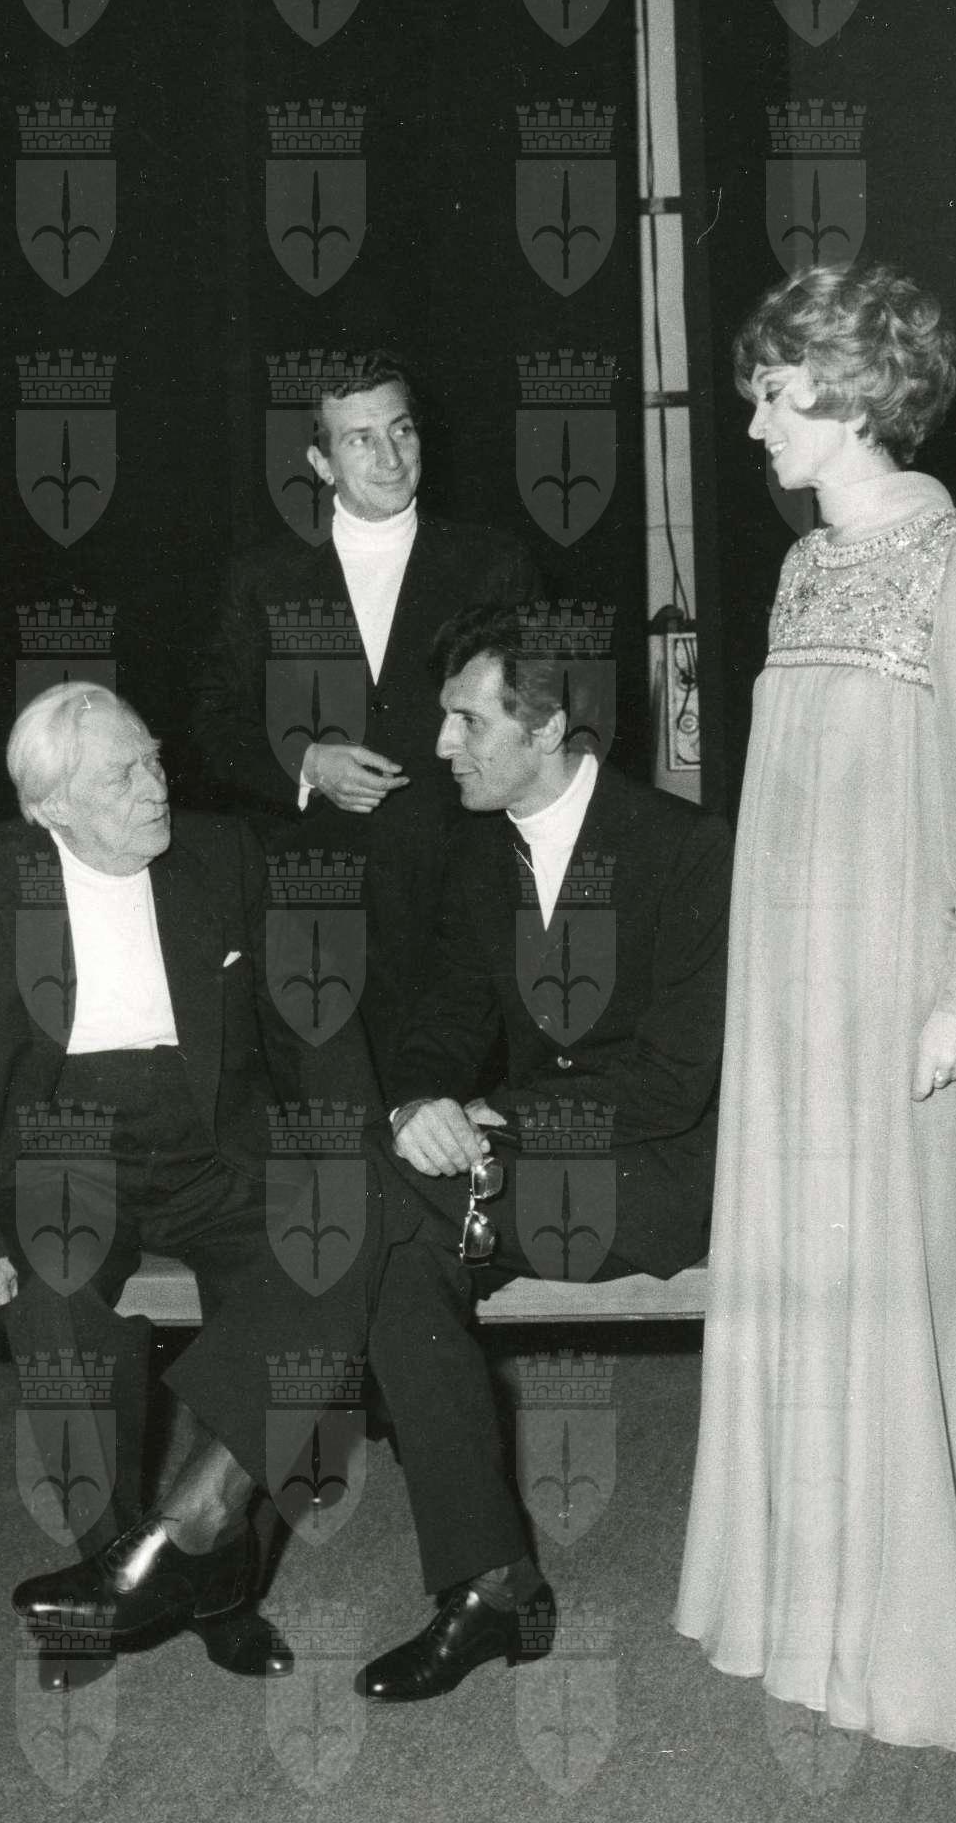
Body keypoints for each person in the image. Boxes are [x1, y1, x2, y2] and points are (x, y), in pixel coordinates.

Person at [672, 263, 956, 1748]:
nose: (757, 423)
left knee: (911, 1279)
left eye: (774, 393)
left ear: (851, 393)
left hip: (904, 990)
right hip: (794, 991)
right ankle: (817, 1601)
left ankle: (940, 1618)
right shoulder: (806, 567)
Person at [0, 682, 385, 1683]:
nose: (156, 785)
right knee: (58, 1309)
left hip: (217, 1144)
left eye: (154, 758)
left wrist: (356, 1154)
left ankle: (215, 1567)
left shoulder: (224, 853)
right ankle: (110, 1574)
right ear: (52, 805)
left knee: (313, 1272)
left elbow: (311, 1025)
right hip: (60, 1148)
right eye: (122, 776)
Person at [352, 602, 731, 1699]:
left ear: (551, 725)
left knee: (375, 1215)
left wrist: (496, 1118)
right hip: (516, 1169)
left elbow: (673, 1082)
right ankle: (491, 1584)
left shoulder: (685, 848)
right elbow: (440, 1020)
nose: (441, 745)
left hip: (653, 1174)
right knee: (392, 1232)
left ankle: (203, 1521)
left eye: (468, 721)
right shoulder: (481, 852)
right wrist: (419, 1100)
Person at [191, 352, 542, 1097]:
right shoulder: (262, 577)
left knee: (450, 1108)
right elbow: (215, 724)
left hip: (460, 885)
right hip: (315, 897)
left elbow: (537, 717)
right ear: (321, 462)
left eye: (402, 430)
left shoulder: (493, 563)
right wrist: (307, 766)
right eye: (360, 439)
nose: (390, 457)